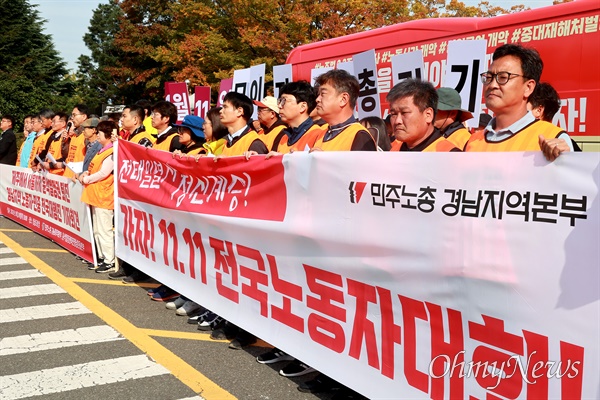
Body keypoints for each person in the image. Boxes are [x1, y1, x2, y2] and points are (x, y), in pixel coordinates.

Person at [465, 44, 572, 161]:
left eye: (503, 77)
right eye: (489, 77)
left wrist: (567, 159)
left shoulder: (553, 138)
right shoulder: (473, 141)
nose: (492, 85)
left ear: (528, 87)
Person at [78, 121, 118, 274]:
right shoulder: (103, 150)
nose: (98, 136)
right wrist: (87, 173)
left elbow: (103, 173)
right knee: (97, 229)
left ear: (107, 135)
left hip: (104, 196)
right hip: (96, 195)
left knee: (104, 229)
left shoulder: (112, 152)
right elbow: (95, 169)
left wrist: (87, 178)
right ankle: (101, 256)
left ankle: (109, 259)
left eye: (100, 133)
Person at [387, 79, 459, 152]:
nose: (397, 121)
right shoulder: (393, 151)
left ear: (428, 115)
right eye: (393, 114)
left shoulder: (450, 155)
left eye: (404, 113)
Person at [311, 69, 376, 151]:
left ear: (343, 99)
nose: (317, 99)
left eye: (323, 94)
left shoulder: (359, 135)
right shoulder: (322, 133)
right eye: (318, 94)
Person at [270, 80, 325, 154]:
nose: (279, 106)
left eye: (284, 101)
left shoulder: (318, 135)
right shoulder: (283, 137)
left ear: (302, 107)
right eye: (279, 101)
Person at [218, 91, 268, 156]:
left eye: (225, 107)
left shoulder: (254, 143)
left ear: (239, 111)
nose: (220, 111)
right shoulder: (224, 142)